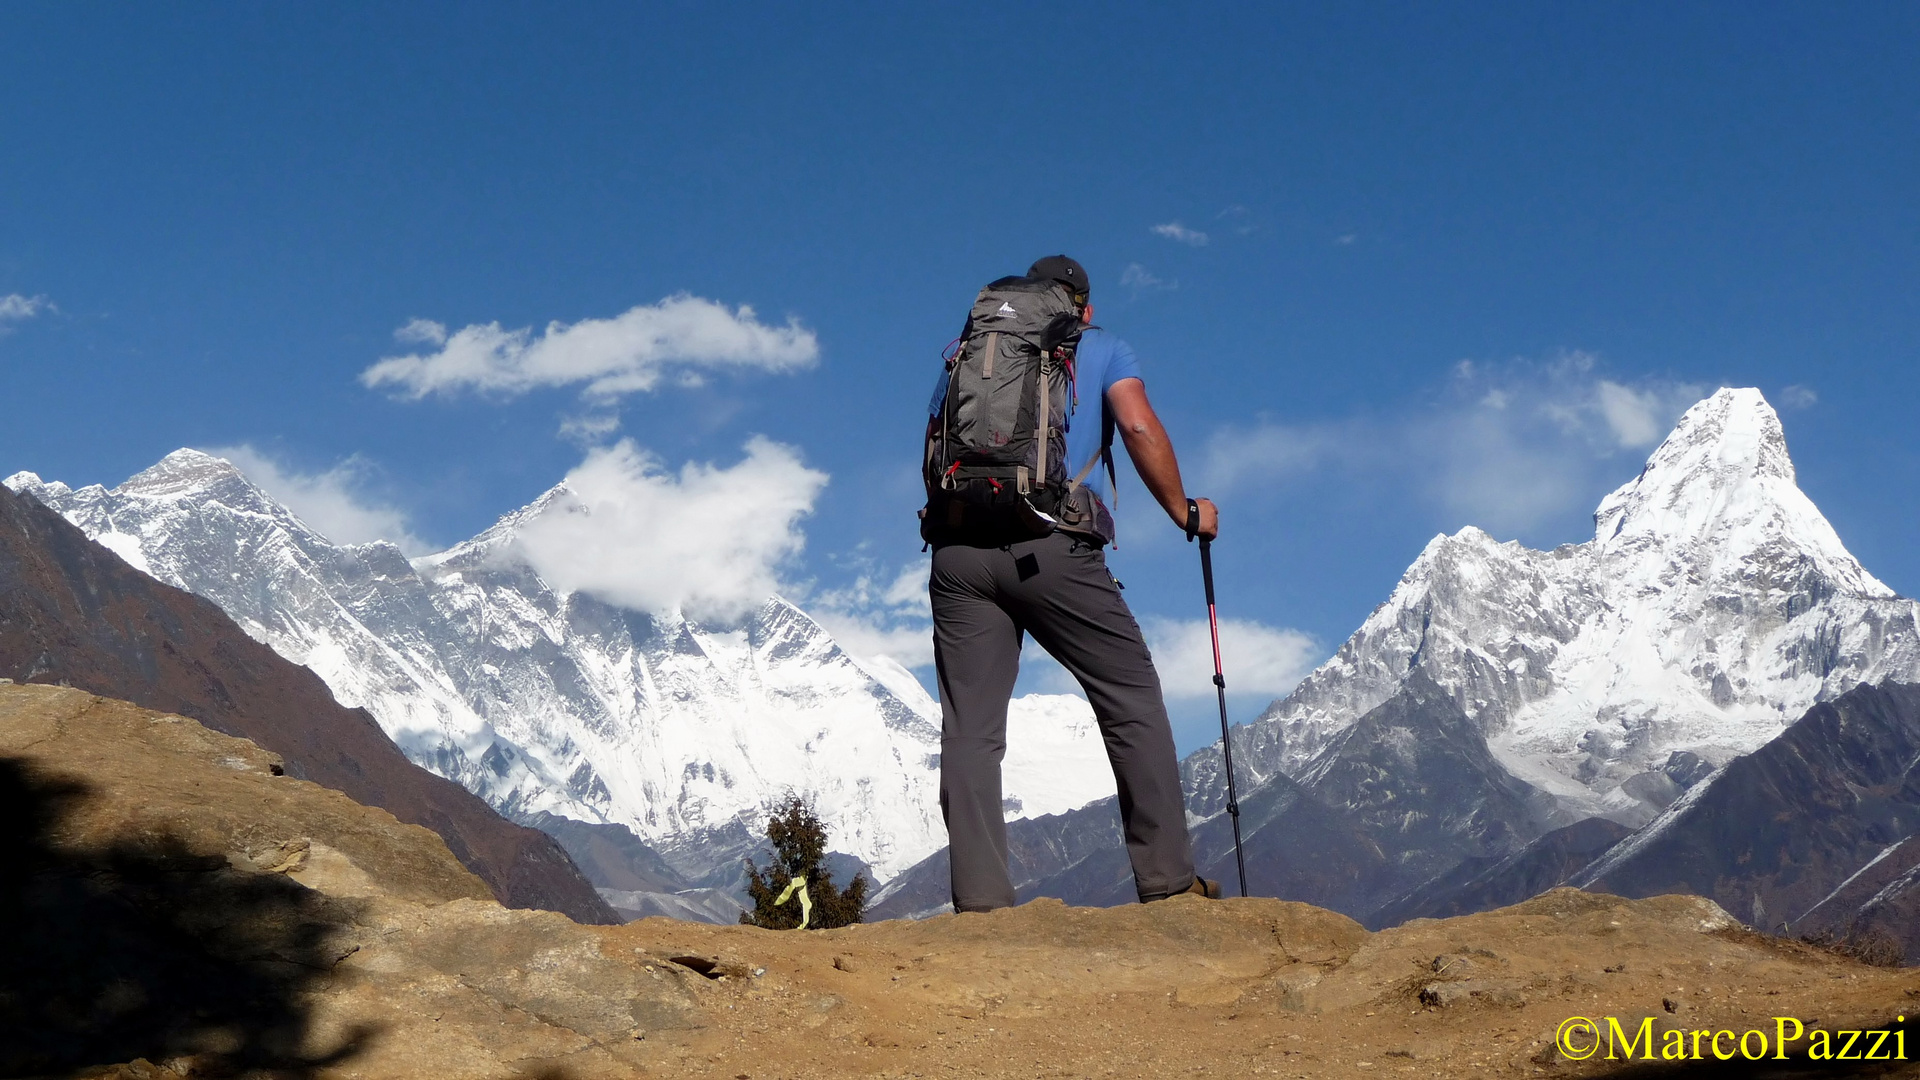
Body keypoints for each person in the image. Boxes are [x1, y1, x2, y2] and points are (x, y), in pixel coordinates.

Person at [926, 254, 1220, 912]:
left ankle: (981, 908)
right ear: (1082, 309)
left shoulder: (970, 353)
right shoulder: (1102, 347)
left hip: (958, 556)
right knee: (1130, 696)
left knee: (971, 730)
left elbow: (936, 443)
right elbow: (1138, 425)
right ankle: (1169, 884)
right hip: (1051, 548)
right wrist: (1184, 510)